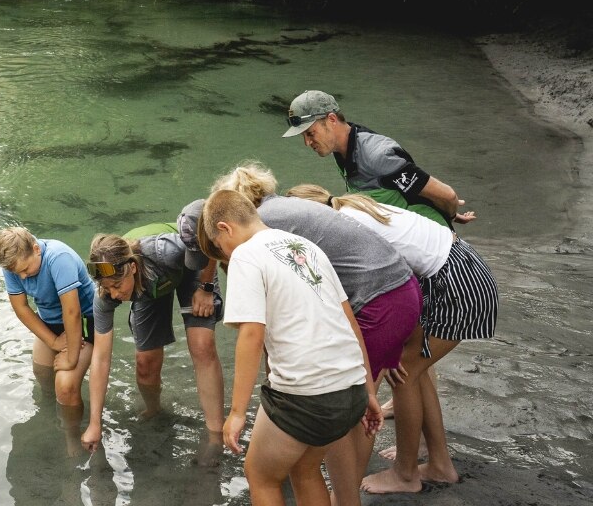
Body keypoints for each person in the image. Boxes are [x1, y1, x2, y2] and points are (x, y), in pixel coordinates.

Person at [210, 162, 418, 506]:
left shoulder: (247, 254)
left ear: (225, 228)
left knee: (260, 475)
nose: (226, 258)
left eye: (221, 248)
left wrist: (236, 413)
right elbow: (350, 321)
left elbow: (251, 335)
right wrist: (367, 390)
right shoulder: (305, 246)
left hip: (306, 397)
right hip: (349, 388)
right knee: (305, 470)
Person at [285, 185, 498, 493]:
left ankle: (406, 475)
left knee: (405, 374)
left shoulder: (346, 226)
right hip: (458, 272)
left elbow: (383, 284)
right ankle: (439, 464)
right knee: (413, 370)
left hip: (454, 283)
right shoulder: (350, 210)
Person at [80, 224, 225, 455]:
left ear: (132, 268)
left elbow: (207, 241)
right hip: (151, 288)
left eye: (117, 285)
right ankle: (155, 411)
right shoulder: (106, 295)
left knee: (201, 346)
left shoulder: (165, 250)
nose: (115, 294)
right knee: (145, 363)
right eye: (107, 288)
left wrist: (206, 288)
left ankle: (216, 434)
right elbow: (100, 359)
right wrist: (95, 423)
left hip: (191, 269)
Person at [281, 89, 475, 227]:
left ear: (331, 120)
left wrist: (450, 216)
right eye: (303, 136)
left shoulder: (377, 156)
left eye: (310, 133)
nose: (307, 142)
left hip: (433, 250)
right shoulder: (343, 147)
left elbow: (447, 195)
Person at [0, 227, 97, 454]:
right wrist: (52, 342)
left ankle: (73, 441)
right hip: (51, 320)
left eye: (25, 269)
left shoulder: (58, 258)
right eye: (16, 272)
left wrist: (70, 357)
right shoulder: (13, 263)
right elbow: (21, 308)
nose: (22, 276)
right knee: (42, 371)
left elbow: (72, 312)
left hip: (84, 320)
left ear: (35, 249)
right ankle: (53, 420)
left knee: (65, 385)